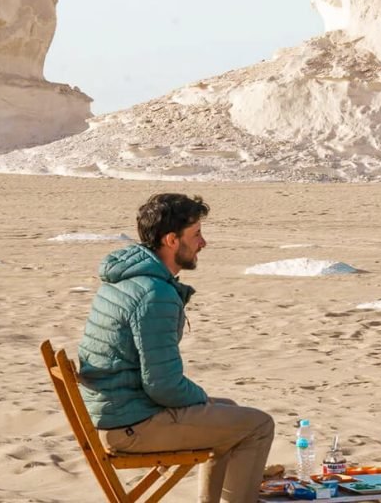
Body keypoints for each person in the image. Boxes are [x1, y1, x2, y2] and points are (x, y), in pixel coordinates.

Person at [77, 193, 275, 503]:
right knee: (259, 425)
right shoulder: (153, 294)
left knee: (231, 411)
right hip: (131, 426)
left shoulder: (127, 278)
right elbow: (163, 385)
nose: (203, 243)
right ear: (171, 240)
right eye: (196, 234)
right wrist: (201, 400)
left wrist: (203, 403)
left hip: (115, 413)